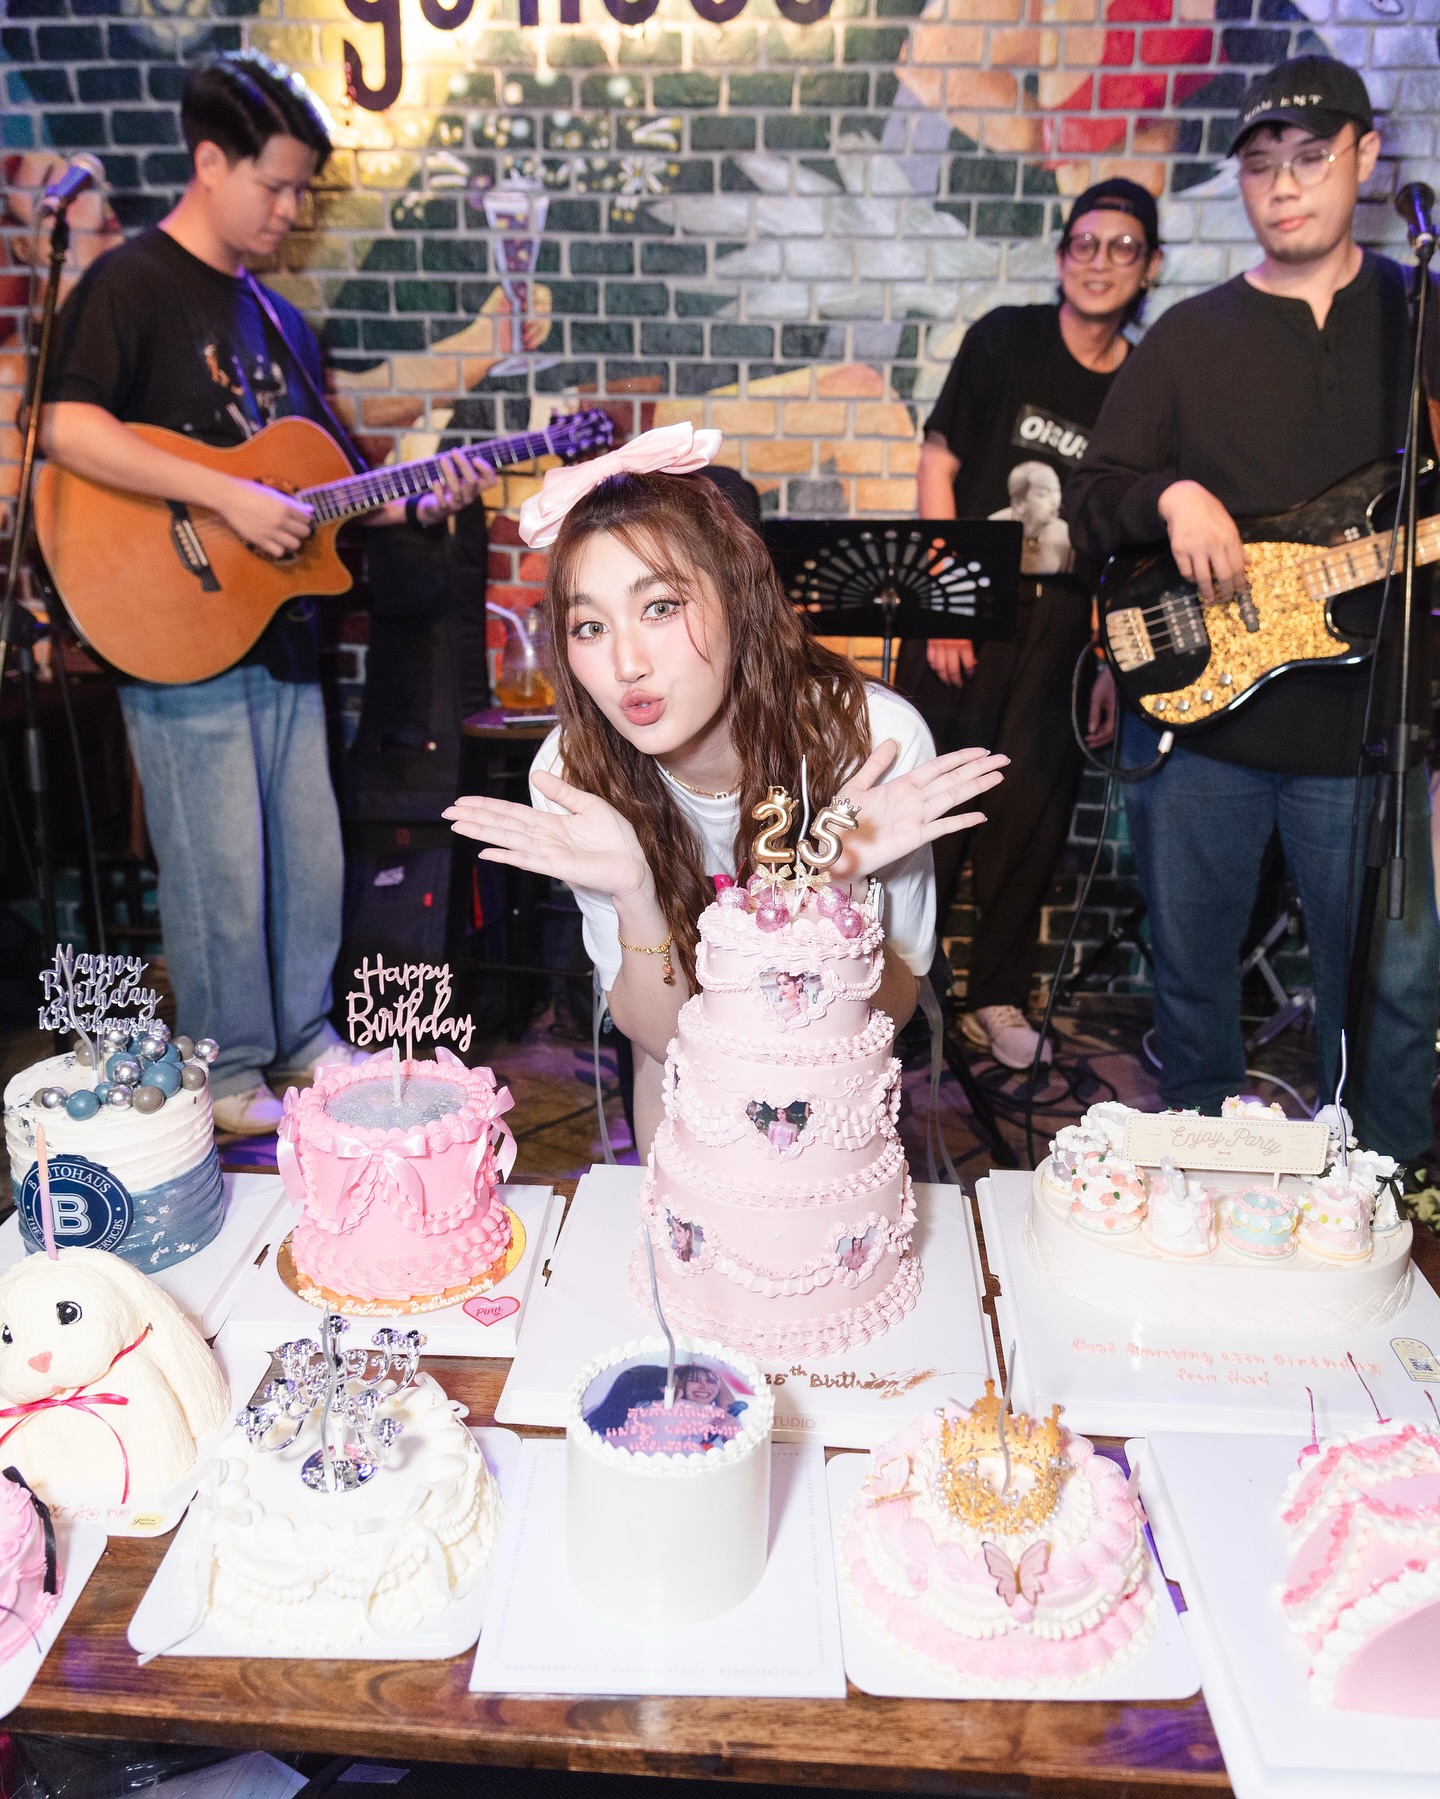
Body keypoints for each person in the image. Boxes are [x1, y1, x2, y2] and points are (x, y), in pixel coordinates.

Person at [39, 54, 495, 1134]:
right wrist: (227, 496)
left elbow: (322, 494)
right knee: (218, 864)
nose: (291, 211)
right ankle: (229, 1065)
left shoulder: (280, 322)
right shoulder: (130, 285)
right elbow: (63, 425)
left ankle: (299, 1039)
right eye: (276, 185)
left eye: (301, 192)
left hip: (275, 623)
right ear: (210, 162)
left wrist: (416, 498)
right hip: (169, 618)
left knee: (304, 852)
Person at [1064, 55, 1439, 1166]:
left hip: (1366, 731)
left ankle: (1383, 1190)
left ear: (1366, 159)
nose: (1284, 185)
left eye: (1311, 158)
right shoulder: (1191, 336)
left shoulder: (1420, 316)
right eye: (1262, 163)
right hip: (1201, 727)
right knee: (1191, 977)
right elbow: (1089, 500)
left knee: (1392, 987)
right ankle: (1200, 1181)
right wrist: (1169, 496)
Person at [446, 423, 1009, 1156]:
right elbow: (664, 1040)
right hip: (683, 1095)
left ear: (740, 601)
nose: (625, 663)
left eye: (660, 606)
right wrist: (635, 895)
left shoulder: (871, 741)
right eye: (588, 626)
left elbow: (890, 1014)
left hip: (832, 1096)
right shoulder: (574, 773)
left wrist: (835, 886)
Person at [899, 179, 1162, 1072]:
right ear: (1061, 257)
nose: (1100, 261)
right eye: (1084, 243)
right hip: (967, 607)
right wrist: (947, 594)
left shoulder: (1142, 381)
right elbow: (939, 463)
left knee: (1032, 813)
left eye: (1122, 246)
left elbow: (1130, 535)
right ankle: (901, 995)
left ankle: (994, 998)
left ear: (1149, 267)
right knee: (930, 808)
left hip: (1067, 627)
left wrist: (1106, 659)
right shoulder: (1005, 339)